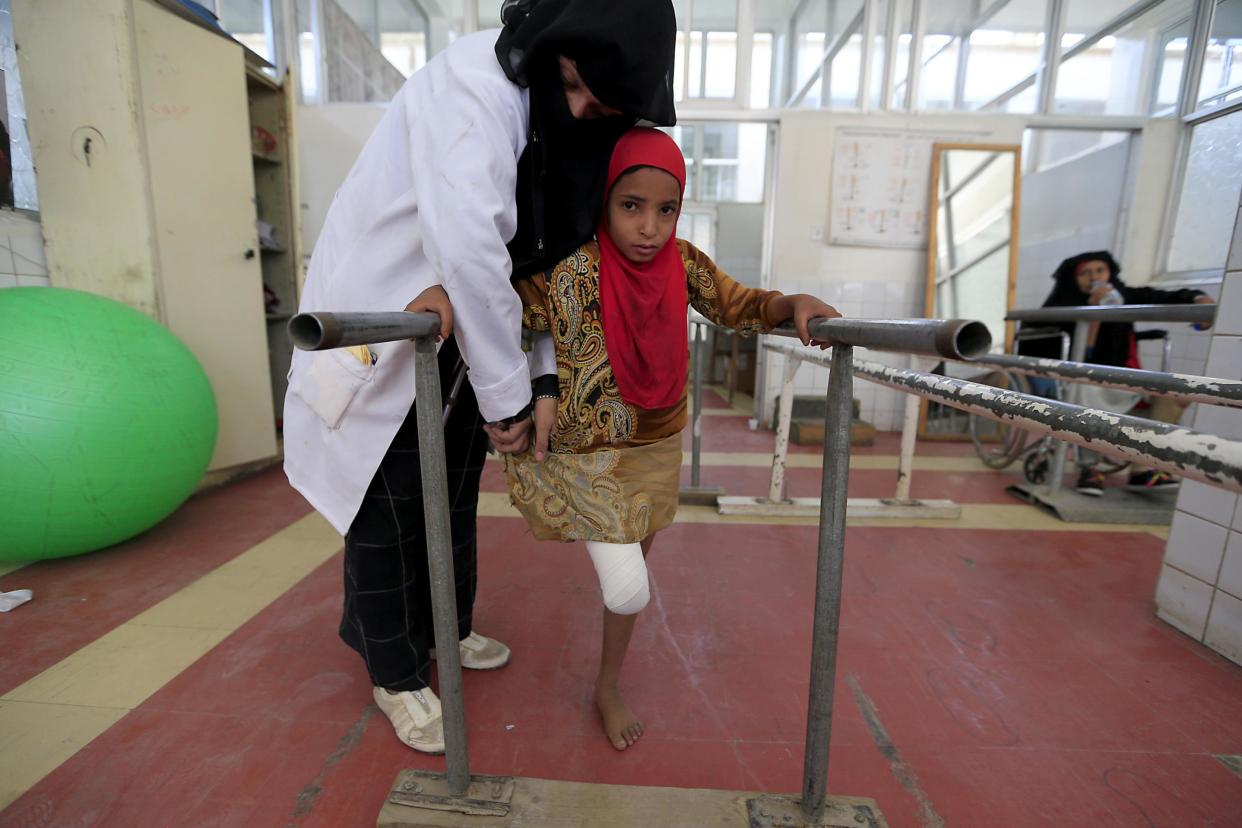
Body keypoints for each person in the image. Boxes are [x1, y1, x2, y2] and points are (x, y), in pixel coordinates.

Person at [283, 0, 678, 754]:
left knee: (454, 495)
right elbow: (469, 250)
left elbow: (537, 259)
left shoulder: (559, 124)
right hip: (391, 328)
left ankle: (448, 628)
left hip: (463, 339)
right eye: (577, 88)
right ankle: (395, 672)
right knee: (390, 509)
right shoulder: (471, 90)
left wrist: (544, 381)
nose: (586, 111)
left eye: (604, 105)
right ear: (553, 49)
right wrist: (511, 401)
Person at [501, 128, 840, 750]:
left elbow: (741, 305)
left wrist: (794, 302)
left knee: (630, 584)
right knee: (629, 588)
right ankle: (607, 679)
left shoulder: (684, 264)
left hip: (657, 446)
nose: (650, 227)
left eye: (666, 209)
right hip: (585, 455)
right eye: (631, 206)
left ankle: (608, 683)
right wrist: (447, 303)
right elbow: (497, 306)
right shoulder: (570, 270)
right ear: (604, 201)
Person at [1018, 250, 1214, 496]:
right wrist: (1092, 313)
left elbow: (1164, 296)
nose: (1094, 278)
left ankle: (1144, 468)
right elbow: (1077, 354)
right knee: (1084, 389)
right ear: (1073, 278)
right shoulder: (1061, 307)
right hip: (1078, 379)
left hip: (1123, 378)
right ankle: (1090, 467)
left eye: (1100, 271)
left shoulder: (1123, 295)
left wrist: (1198, 298)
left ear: (1110, 272)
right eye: (1085, 273)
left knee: (1176, 393)